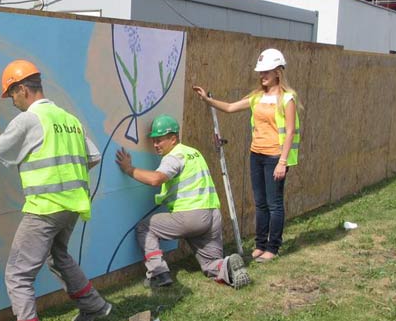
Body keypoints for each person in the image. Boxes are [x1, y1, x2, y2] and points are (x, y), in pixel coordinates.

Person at [0, 59, 113, 321]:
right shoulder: (68, 119)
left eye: (12, 94)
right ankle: (96, 307)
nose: (12, 101)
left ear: (23, 89)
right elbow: (93, 156)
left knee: (18, 274)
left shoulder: (28, 120)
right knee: (58, 257)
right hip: (72, 206)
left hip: (45, 208)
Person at [115, 114, 250, 289]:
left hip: (191, 216)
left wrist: (128, 169)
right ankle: (226, 266)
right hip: (212, 215)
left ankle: (158, 274)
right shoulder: (193, 152)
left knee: (145, 228)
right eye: (153, 140)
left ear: (173, 138)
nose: (155, 145)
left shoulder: (174, 156)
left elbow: (157, 179)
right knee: (210, 264)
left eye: (159, 140)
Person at [193, 47, 301, 262]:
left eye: (266, 72)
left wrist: (282, 162)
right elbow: (231, 107)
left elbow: (289, 131)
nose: (262, 76)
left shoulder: (287, 99)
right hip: (257, 155)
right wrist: (207, 100)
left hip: (274, 158)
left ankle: (273, 247)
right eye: (261, 72)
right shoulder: (257, 97)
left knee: (274, 204)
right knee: (260, 203)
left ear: (278, 72)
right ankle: (260, 245)